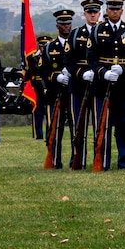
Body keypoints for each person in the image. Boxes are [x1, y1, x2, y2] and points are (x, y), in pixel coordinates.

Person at [86, 0, 125, 170]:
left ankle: (124, 160)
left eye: (118, 9)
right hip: (103, 85)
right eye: (111, 9)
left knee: (124, 124)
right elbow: (91, 58)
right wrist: (103, 73)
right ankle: (103, 160)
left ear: (122, 11)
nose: (115, 12)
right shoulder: (97, 30)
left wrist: (124, 69)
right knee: (103, 123)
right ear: (107, 10)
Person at [64, 0, 102, 169]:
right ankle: (78, 159)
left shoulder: (104, 32)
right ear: (84, 14)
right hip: (79, 85)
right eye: (89, 12)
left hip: (98, 84)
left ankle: (98, 159)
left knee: (98, 125)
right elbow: (68, 60)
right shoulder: (75, 33)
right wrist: (81, 73)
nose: (93, 15)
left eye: (95, 12)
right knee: (78, 125)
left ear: (99, 13)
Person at [40, 9, 74, 168]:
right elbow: (43, 71)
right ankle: (54, 160)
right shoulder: (49, 47)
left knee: (75, 128)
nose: (66, 26)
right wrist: (57, 77)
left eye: (68, 23)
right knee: (54, 128)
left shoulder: (76, 43)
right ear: (57, 26)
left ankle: (76, 159)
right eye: (63, 24)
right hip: (55, 93)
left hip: (74, 92)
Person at [26, 35, 52, 140]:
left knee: (50, 111)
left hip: (49, 85)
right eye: (42, 46)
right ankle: (39, 134)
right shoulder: (33, 58)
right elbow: (29, 73)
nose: (43, 48)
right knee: (38, 111)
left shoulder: (51, 56)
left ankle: (50, 134)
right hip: (37, 87)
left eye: (45, 46)